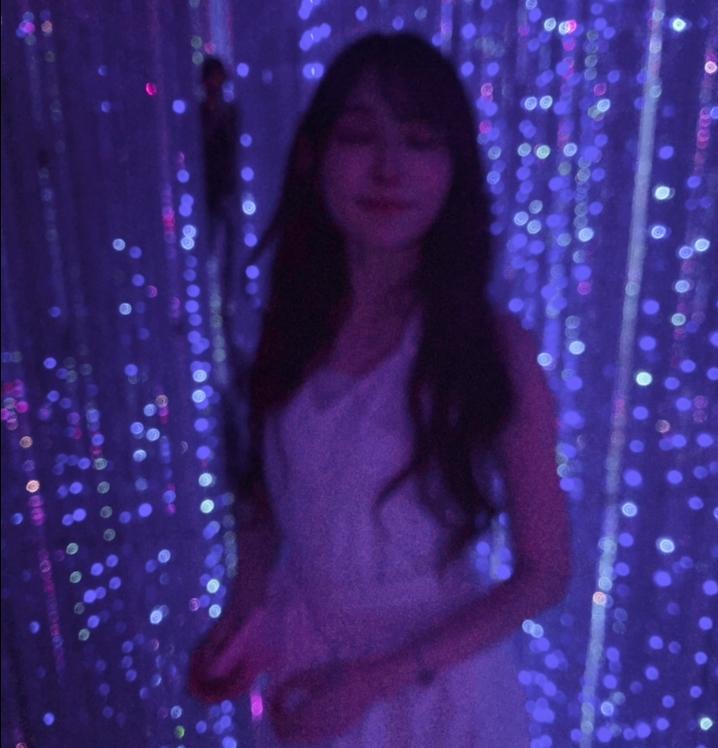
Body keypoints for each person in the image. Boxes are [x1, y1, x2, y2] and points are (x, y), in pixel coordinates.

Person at [189, 32, 571, 747]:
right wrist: (244, 610)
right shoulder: (289, 326)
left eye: (420, 141)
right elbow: (268, 496)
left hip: (436, 687)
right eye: (360, 136)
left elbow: (545, 572)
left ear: (454, 169)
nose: (388, 167)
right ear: (315, 156)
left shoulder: (491, 347)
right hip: (308, 666)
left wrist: (374, 680)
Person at [199, 56, 240, 329]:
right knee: (210, 247)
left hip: (226, 188)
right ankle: (210, 303)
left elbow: (233, 148)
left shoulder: (230, 112)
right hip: (208, 190)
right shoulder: (201, 112)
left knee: (230, 250)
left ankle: (227, 303)